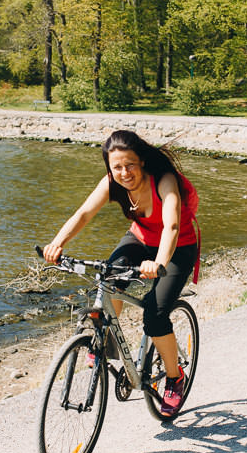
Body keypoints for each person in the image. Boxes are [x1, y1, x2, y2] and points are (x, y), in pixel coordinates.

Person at [43, 129, 199, 416]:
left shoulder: (163, 180)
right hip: (140, 238)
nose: (124, 172)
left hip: (177, 247)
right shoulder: (112, 183)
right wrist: (57, 244)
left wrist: (159, 263)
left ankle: (175, 377)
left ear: (141, 162)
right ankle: (106, 342)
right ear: (110, 167)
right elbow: (83, 214)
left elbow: (172, 227)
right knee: (107, 279)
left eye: (130, 165)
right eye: (117, 166)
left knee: (154, 314)